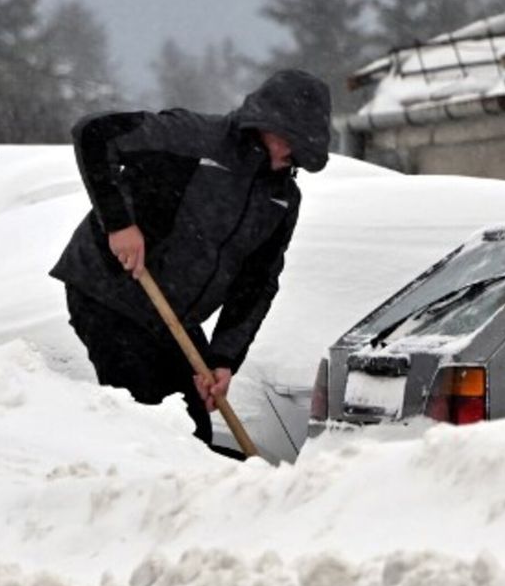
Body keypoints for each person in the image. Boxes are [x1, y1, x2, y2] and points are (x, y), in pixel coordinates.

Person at [51, 69, 331, 449]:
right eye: (287, 140)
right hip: (111, 290)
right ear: (264, 122)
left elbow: (257, 282)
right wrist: (119, 224)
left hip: (173, 314)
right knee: (150, 418)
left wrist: (223, 359)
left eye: (301, 149)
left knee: (192, 426)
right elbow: (93, 133)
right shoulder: (194, 137)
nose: (290, 155)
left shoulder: (280, 199)